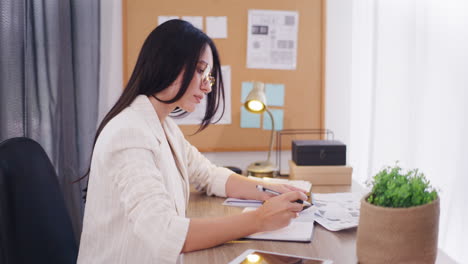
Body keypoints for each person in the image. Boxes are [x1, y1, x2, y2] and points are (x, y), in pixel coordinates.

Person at [77, 19, 308, 264]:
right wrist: (260, 219)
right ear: (167, 62)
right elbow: (166, 234)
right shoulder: (128, 133)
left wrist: (268, 189)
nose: (207, 86)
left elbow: (208, 175)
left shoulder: (164, 126)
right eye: (200, 71)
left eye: (208, 75)